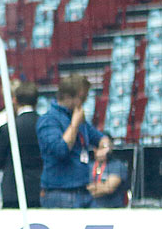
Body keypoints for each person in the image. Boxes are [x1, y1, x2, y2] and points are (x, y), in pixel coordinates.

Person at [38, 75, 113, 208]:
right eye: (82, 98)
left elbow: (101, 138)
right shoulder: (48, 120)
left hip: (84, 190)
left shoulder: (78, 117)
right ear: (68, 96)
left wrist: (105, 148)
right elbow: (61, 150)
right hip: (60, 193)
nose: (84, 102)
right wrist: (74, 124)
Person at [0, 81, 42, 209]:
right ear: (36, 101)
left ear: (15, 100)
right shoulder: (44, 125)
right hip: (38, 188)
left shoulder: (7, 128)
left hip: (12, 189)